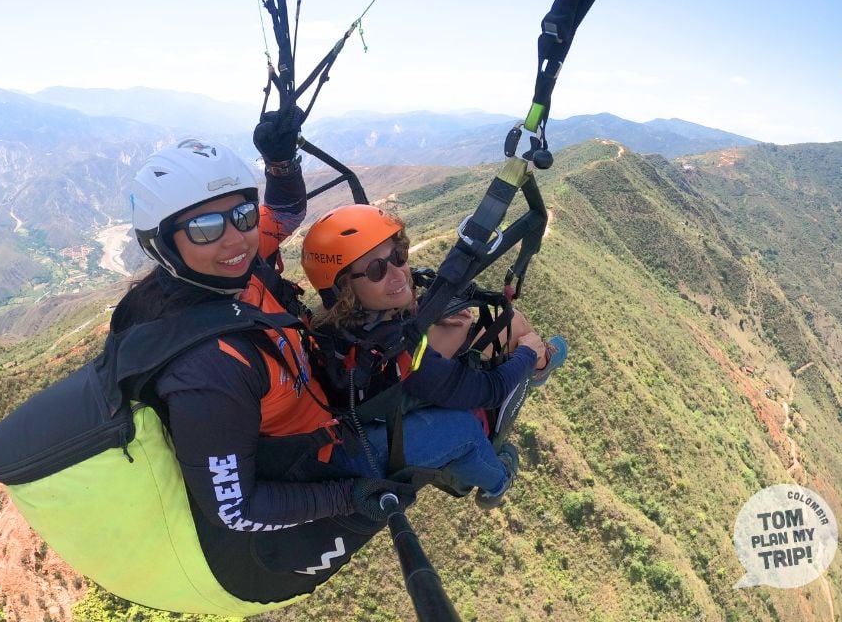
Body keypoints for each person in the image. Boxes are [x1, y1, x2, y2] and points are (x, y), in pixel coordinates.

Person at [110, 121, 416, 604]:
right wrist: (348, 495)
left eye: (242, 215)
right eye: (206, 227)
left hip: (325, 415)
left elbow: (286, 210)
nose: (236, 239)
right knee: (455, 432)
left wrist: (280, 161)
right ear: (164, 244)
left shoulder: (231, 272)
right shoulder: (208, 369)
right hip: (302, 470)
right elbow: (234, 508)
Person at [301, 203, 568, 507]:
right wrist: (526, 355)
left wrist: (424, 314)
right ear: (344, 288)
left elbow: (393, 323)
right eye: (377, 270)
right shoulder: (399, 356)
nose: (399, 273)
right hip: (373, 433)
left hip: (373, 397)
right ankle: (497, 482)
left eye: (398, 256)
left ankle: (538, 367)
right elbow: (490, 390)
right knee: (463, 431)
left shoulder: (338, 323)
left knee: (500, 321)